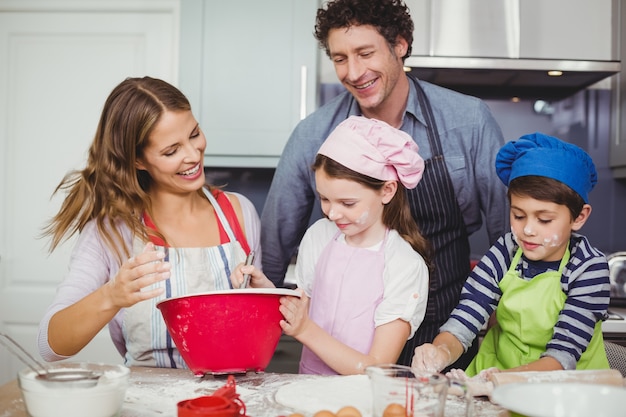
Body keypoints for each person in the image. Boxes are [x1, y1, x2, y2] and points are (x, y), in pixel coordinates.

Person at [260, 0, 508, 367]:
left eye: (365, 53)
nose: (354, 72)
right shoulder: (312, 134)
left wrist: (506, 315)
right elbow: (273, 249)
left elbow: (507, 234)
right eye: (340, 58)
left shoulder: (468, 121)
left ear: (400, 45)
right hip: (345, 348)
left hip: (446, 333)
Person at [37, 76, 261, 368]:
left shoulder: (239, 213)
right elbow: (50, 346)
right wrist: (111, 295)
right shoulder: (111, 233)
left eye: (194, 134)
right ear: (138, 160)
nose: (193, 155)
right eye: (171, 151)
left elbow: (258, 332)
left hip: (229, 403)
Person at [232, 116, 430, 375]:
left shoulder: (405, 265)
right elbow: (300, 311)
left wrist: (305, 330)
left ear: (387, 191)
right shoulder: (319, 236)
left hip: (363, 404)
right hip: (309, 392)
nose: (332, 213)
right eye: (324, 199)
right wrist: (264, 290)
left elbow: (378, 368)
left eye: (347, 203)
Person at [411, 132, 610, 377]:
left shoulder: (588, 267)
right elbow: (465, 319)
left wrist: (498, 382)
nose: (527, 230)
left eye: (544, 219)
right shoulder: (506, 251)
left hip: (565, 393)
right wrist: (440, 351)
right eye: (518, 215)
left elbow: (563, 356)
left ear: (579, 217)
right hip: (493, 383)